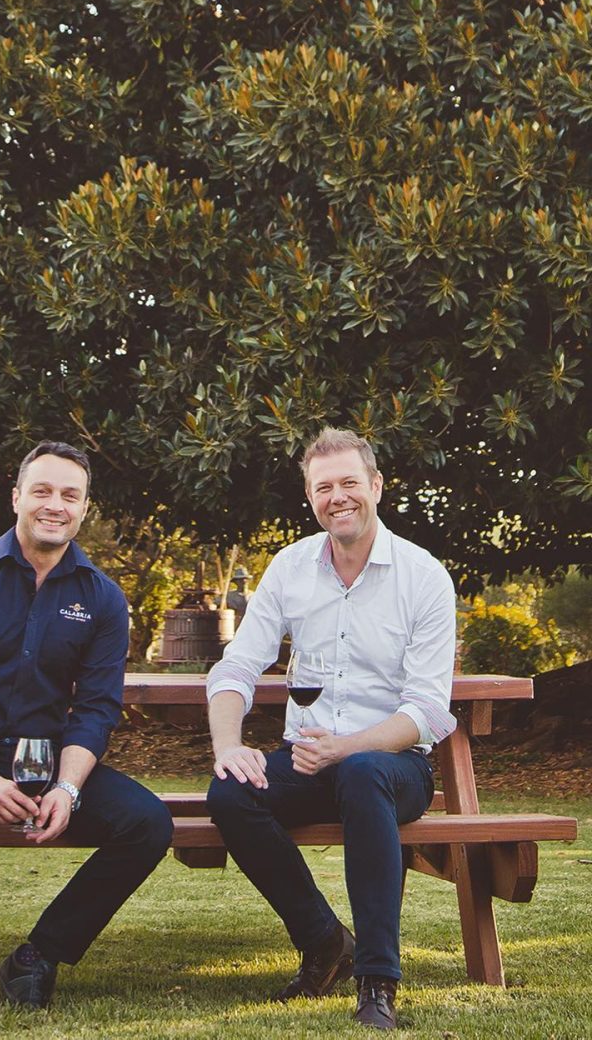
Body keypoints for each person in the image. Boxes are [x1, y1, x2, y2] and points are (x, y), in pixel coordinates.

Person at [0, 441, 173, 1033]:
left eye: (69, 495)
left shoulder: (101, 597)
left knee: (147, 823)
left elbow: (97, 709)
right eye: (43, 491)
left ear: (83, 508)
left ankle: (37, 955)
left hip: (47, 758)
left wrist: (70, 789)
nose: (55, 505)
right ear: (17, 497)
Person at [205, 427, 456, 1031]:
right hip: (311, 755)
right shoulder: (290, 568)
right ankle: (323, 942)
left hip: (396, 764)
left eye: (349, 483)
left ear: (375, 486)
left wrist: (348, 746)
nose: (338, 497)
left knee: (365, 774)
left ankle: (378, 978)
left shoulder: (423, 577)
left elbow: (425, 710)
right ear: (311, 499)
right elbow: (237, 664)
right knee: (230, 793)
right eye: (324, 488)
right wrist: (229, 745)